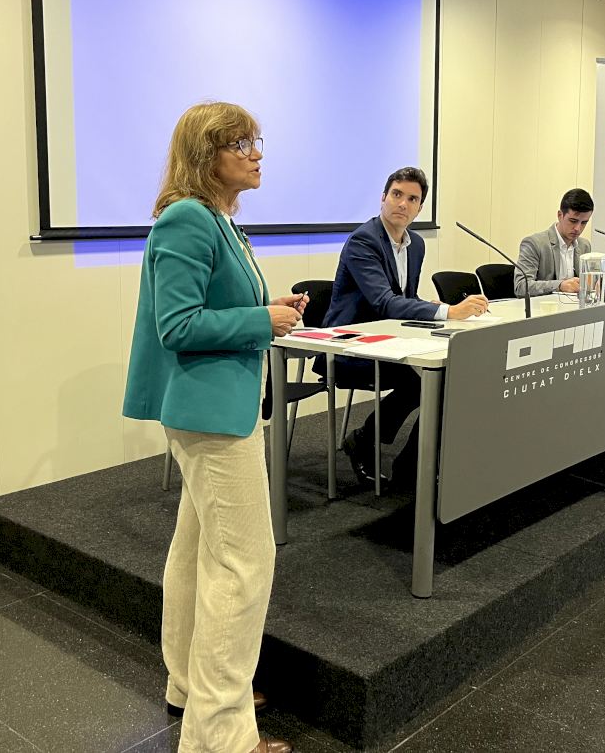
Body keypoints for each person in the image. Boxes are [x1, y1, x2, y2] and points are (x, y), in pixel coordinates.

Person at [123, 102, 305, 753]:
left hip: (216, 408)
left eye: (255, 142)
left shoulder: (217, 220)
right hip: (212, 414)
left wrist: (267, 307)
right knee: (244, 564)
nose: (257, 155)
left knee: (198, 553)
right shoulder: (187, 219)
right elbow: (178, 325)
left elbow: (211, 307)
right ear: (206, 156)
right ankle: (221, 735)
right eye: (240, 145)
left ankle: (190, 688)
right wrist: (263, 321)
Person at [319, 166, 488, 487]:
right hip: (350, 345)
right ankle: (369, 443)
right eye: (396, 194)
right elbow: (384, 302)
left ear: (420, 208)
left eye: (412, 199)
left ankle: (410, 465)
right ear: (383, 198)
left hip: (391, 340)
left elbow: (404, 298)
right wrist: (448, 311)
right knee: (427, 380)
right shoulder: (363, 241)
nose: (402, 204)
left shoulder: (416, 245)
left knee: (444, 377)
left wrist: (435, 307)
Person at [514, 188, 594, 298]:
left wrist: (594, 285)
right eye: (573, 221)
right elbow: (521, 287)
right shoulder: (534, 244)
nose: (577, 228)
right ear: (560, 215)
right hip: (544, 307)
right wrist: (560, 285)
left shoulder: (584, 246)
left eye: (584, 223)